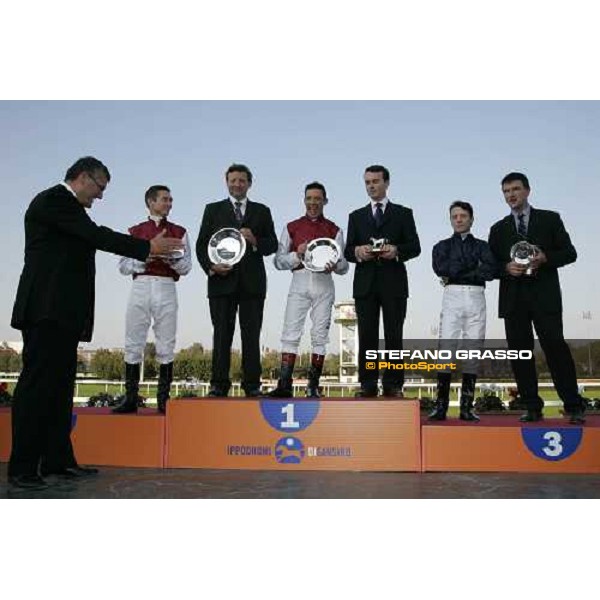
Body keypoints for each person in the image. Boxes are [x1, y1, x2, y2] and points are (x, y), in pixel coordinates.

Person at [8, 157, 184, 490]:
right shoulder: (53, 201)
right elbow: (97, 236)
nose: (101, 196)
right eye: (100, 187)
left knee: (60, 392)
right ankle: (22, 468)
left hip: (63, 314)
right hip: (45, 311)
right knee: (37, 391)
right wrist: (146, 246)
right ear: (83, 177)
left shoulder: (70, 209)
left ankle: (58, 462)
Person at [488, 172, 586, 423]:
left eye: (516, 189)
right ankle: (532, 406)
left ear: (527, 191)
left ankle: (573, 405)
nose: (511, 195)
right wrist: (505, 269)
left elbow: (570, 253)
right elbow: (489, 266)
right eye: (506, 191)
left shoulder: (550, 219)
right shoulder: (498, 229)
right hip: (513, 300)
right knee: (521, 354)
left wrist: (545, 258)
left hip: (545, 297)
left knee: (556, 349)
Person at [196, 164, 278, 397]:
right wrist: (211, 267)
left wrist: (255, 241)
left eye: (242, 180)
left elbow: (272, 245)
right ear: (226, 182)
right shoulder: (212, 210)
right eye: (233, 180)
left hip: (252, 284)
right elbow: (202, 244)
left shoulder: (262, 211)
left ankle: (252, 384)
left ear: (249, 184)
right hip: (221, 282)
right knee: (221, 334)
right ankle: (219, 384)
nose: (237, 184)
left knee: (251, 335)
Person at [112, 185, 192, 415]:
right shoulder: (136, 231)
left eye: (170, 199)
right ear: (151, 202)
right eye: (164, 199)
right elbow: (124, 266)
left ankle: (163, 399)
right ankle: (130, 398)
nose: (169, 203)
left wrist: (170, 261)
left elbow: (186, 267)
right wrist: (148, 257)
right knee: (133, 339)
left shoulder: (180, 231)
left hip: (167, 286)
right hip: (141, 284)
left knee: (166, 341)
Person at [345, 165, 421, 397]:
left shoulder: (403, 213)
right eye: (367, 182)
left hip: (394, 284)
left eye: (376, 181)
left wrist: (396, 250)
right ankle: (367, 383)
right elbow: (347, 251)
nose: (371, 186)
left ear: (387, 183)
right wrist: (358, 251)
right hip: (365, 285)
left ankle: (393, 384)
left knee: (393, 336)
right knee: (366, 336)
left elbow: (415, 247)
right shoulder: (356, 216)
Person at [268, 182, 349, 398]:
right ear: (304, 200)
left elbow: (344, 266)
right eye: (309, 198)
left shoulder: (335, 229)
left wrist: (336, 265)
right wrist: (297, 254)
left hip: (324, 281)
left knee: (320, 335)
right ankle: (284, 383)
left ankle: (314, 384)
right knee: (290, 332)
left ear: (325, 201)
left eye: (317, 199)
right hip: (300, 279)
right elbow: (278, 261)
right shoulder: (291, 227)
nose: (313, 202)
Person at [428, 201, 497, 421]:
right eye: (454, 216)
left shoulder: (484, 246)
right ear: (450, 219)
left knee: (473, 350)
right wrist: (473, 268)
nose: (459, 219)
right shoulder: (441, 246)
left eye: (463, 216)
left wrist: (458, 270)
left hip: (477, 296)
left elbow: (491, 270)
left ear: (471, 218)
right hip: (452, 295)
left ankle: (467, 408)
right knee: (446, 348)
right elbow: (441, 268)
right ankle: (441, 407)